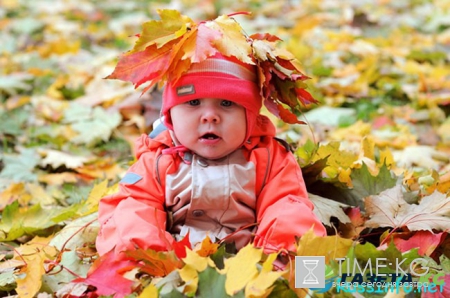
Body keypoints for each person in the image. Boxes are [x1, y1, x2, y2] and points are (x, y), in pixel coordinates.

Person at [96, 11, 326, 261]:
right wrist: (151, 259)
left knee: (302, 236)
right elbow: (134, 209)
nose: (210, 116)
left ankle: (304, 281)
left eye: (227, 103)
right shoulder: (157, 161)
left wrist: (278, 259)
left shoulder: (269, 159)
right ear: (170, 114)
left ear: (251, 115)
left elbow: (287, 208)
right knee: (127, 220)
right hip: (175, 264)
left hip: (249, 263)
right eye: (193, 102)